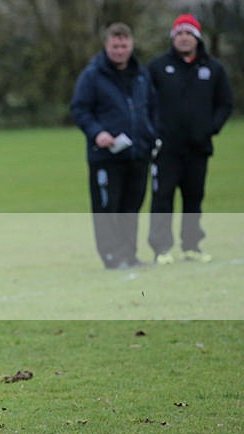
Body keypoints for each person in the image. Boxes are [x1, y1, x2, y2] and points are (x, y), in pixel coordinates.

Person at [70, 22, 158, 270]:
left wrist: (152, 134)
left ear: (131, 45)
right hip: (106, 156)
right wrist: (97, 133)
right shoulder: (92, 75)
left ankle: (129, 254)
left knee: (132, 207)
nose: (120, 50)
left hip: (138, 152)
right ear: (106, 46)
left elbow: (152, 107)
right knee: (108, 207)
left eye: (124, 45)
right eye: (115, 46)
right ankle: (111, 255)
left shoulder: (141, 74)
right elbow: (79, 109)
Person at [147, 13, 233, 265]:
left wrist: (211, 128)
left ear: (197, 38)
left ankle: (192, 245)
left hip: (198, 147)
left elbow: (225, 104)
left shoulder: (213, 69)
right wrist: (155, 132)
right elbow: (146, 102)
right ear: (173, 38)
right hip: (165, 147)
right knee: (162, 197)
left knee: (194, 197)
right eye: (180, 34)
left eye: (189, 34)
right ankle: (161, 248)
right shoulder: (158, 67)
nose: (184, 38)